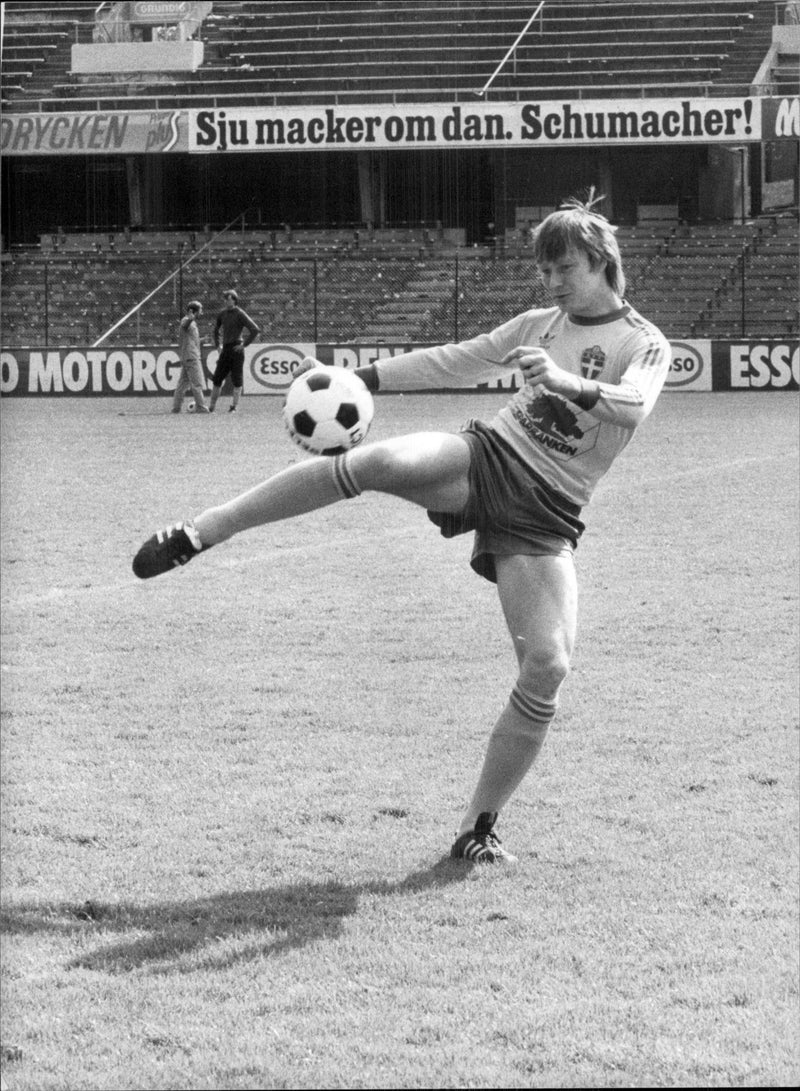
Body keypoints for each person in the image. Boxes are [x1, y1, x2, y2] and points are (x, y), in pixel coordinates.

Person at [132, 194, 672, 865]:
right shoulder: (542, 322)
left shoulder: (642, 342)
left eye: (564, 268)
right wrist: (358, 377)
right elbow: (460, 359)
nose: (554, 283)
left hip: (549, 512)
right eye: (546, 272)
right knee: (375, 460)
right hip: (488, 458)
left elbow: (634, 406)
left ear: (602, 261)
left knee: (547, 665)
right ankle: (201, 531)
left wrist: (566, 381)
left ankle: (478, 826)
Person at [208, 289, 260, 413]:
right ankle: (211, 406)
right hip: (226, 348)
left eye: (229, 298)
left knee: (237, 380)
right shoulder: (222, 314)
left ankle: (234, 406)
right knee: (217, 379)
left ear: (235, 300)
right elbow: (215, 330)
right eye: (225, 299)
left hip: (236, 348)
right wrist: (217, 345)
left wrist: (244, 345)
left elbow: (255, 329)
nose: (226, 301)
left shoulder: (240, 313)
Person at [172, 300, 209, 414]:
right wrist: (190, 318)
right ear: (193, 311)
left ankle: (176, 408)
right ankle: (201, 407)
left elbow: (192, 339)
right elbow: (185, 325)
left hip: (187, 356)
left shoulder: (192, 323)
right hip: (191, 356)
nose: (201, 313)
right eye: (200, 310)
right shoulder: (186, 320)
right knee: (197, 383)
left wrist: (203, 340)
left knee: (182, 384)